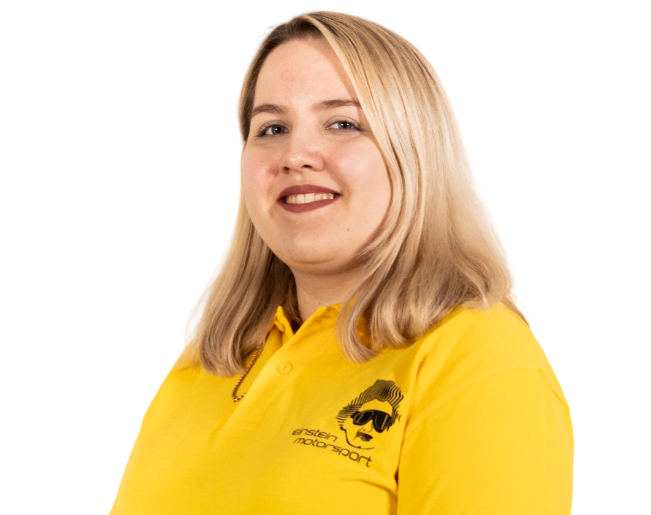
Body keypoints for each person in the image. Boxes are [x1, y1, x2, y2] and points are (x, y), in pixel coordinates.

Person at [109, 10, 574, 515]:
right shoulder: (204, 364)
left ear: (415, 152)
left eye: (343, 123)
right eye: (272, 128)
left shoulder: (480, 359)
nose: (296, 154)